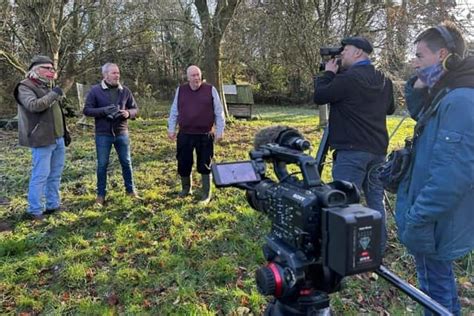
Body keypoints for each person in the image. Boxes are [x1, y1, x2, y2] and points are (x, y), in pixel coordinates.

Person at [395, 22, 474, 315]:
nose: (414, 63)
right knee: (438, 282)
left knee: (434, 290)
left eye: (419, 56)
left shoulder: (461, 100)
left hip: (436, 218)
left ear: (443, 55)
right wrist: (417, 87)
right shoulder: (448, 94)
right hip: (435, 215)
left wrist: (419, 217)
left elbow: (452, 174)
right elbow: (423, 118)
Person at [313, 36, 395, 250]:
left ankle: (345, 252)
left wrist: (329, 73)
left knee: (344, 203)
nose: (341, 55)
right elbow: (390, 108)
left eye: (345, 50)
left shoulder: (348, 79)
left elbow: (320, 95)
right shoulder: (384, 79)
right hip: (377, 150)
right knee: (376, 201)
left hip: (351, 152)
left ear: (358, 52)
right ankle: (377, 249)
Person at [13, 55, 70, 220]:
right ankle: (35, 210)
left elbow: (55, 113)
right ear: (36, 69)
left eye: (53, 69)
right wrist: (54, 94)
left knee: (55, 174)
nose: (51, 71)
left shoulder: (48, 86)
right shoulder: (24, 86)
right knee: (41, 175)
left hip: (57, 137)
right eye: (47, 68)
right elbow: (34, 106)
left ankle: (53, 205)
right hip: (41, 138)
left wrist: (65, 132)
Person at [167, 65, 225, 205]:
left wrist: (220, 130)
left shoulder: (210, 90)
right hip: (185, 134)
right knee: (183, 162)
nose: (196, 78)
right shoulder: (181, 90)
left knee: (205, 164)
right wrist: (171, 128)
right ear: (187, 77)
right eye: (193, 75)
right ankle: (186, 189)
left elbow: (219, 111)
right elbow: (174, 110)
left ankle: (206, 194)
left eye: (198, 75)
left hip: (205, 134)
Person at [83, 63, 139, 206]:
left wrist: (128, 113)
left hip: (122, 132)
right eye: (114, 73)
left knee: (126, 162)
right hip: (103, 134)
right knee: (102, 165)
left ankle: (131, 191)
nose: (117, 75)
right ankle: (100, 196)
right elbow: (87, 110)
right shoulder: (95, 91)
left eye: (118, 73)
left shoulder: (125, 91)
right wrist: (104, 111)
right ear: (105, 75)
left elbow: (135, 109)